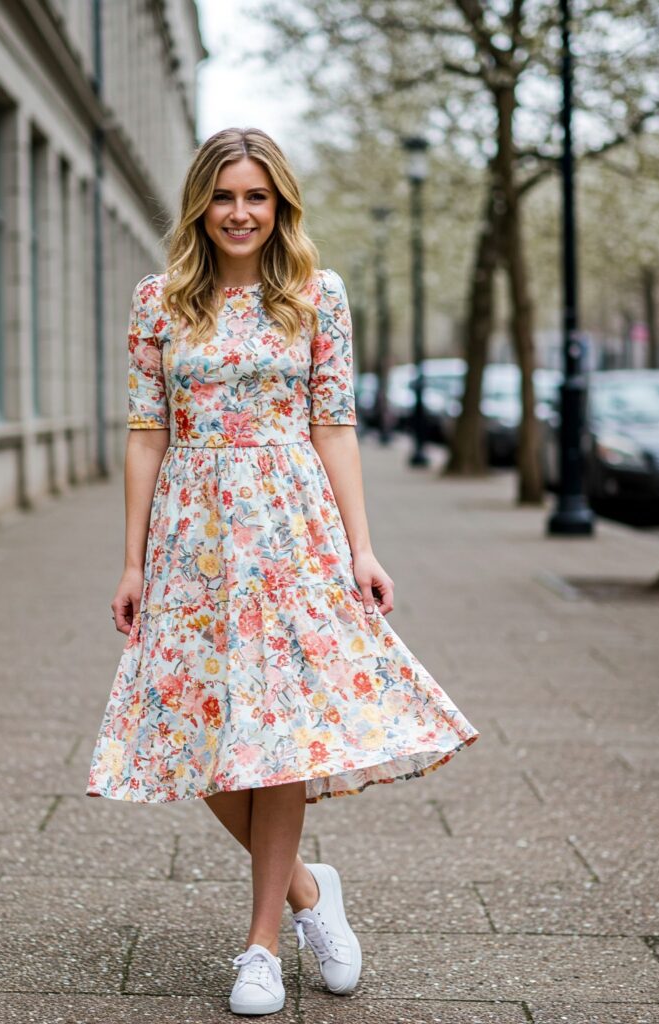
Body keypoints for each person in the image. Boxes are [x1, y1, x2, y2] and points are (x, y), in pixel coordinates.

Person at [87, 126, 480, 1016]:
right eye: (224, 196)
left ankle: (261, 947)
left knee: (275, 737)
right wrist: (131, 560)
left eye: (256, 197)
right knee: (192, 733)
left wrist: (362, 546)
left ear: (280, 205)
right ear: (200, 204)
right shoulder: (161, 302)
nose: (239, 213)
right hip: (193, 536)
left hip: (290, 529)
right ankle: (309, 890)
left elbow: (333, 425)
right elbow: (146, 436)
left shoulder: (315, 295)